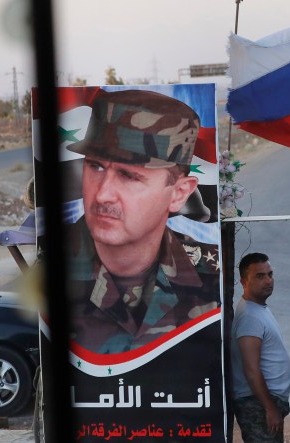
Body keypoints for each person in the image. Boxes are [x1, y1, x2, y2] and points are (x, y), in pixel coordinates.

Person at [65, 89, 220, 353]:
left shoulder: (212, 275)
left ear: (179, 193)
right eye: (96, 166)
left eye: (129, 176)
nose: (102, 195)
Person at [231, 253, 290, 443]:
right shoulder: (250, 316)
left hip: (262, 402)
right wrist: (270, 407)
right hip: (257, 404)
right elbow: (251, 369)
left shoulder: (257, 309)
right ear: (244, 282)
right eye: (260, 276)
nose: (268, 280)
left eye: (270, 274)